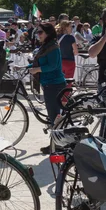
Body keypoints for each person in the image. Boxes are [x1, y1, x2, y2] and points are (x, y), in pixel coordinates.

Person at [30, 22, 66, 153]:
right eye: (37, 32)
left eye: (40, 32)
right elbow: (39, 63)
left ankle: (57, 145)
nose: (37, 35)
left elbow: (53, 66)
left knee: (54, 116)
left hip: (54, 84)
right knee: (53, 116)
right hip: (48, 84)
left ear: (48, 33)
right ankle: (55, 143)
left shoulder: (53, 47)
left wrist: (37, 69)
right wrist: (26, 68)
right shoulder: (46, 46)